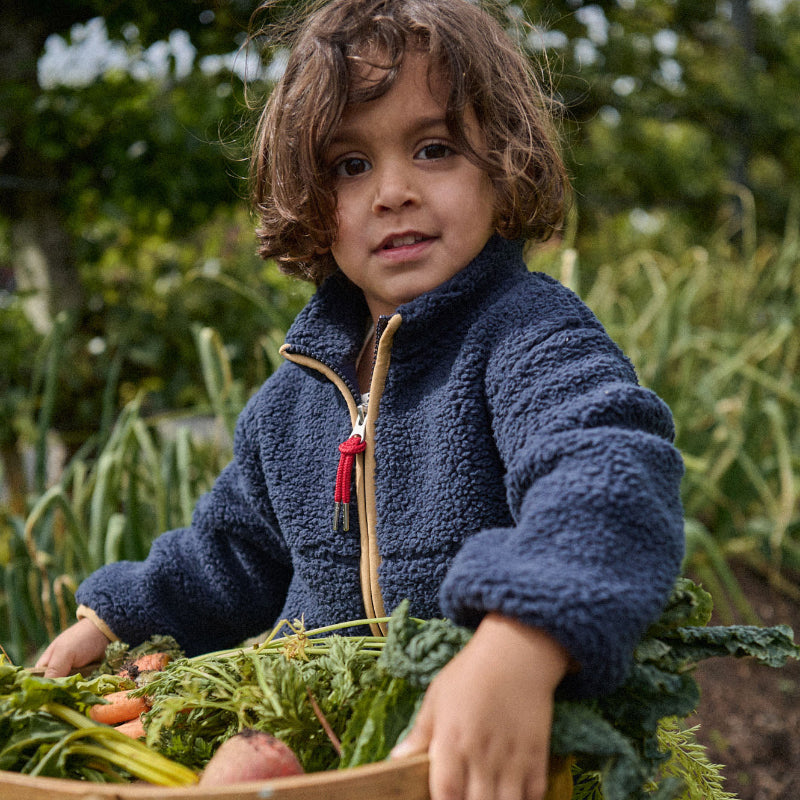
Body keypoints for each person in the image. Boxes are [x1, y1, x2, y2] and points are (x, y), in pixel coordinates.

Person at [36, 1, 686, 798]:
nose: (394, 192)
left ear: (503, 162)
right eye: (351, 165)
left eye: (434, 148)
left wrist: (520, 637)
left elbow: (608, 469)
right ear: (312, 197)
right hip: (333, 756)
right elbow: (233, 552)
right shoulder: (293, 402)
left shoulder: (528, 338)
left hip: (489, 761)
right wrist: (116, 619)